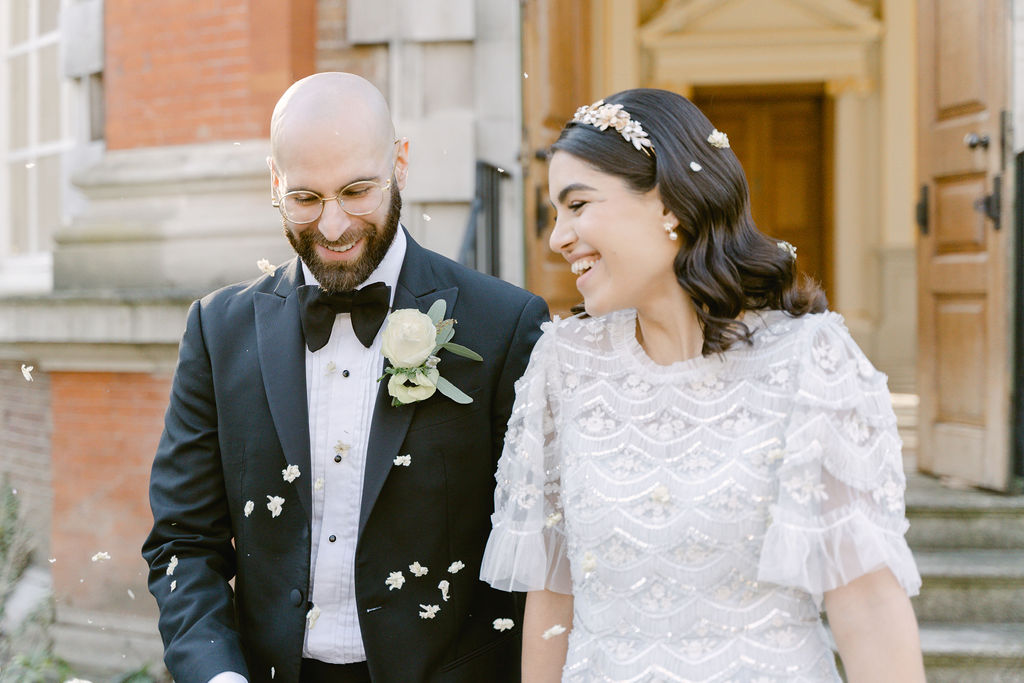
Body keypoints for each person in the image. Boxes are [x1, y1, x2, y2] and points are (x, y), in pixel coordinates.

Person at [480, 88, 925, 682]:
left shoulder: (807, 360)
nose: (558, 237)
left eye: (579, 204)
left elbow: (866, 605)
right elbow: (553, 596)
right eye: (556, 212)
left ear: (669, 205)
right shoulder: (565, 365)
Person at [142, 72, 549, 683]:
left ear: (400, 164)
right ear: (275, 183)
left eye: (357, 191)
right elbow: (183, 542)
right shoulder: (216, 330)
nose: (333, 227)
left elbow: (533, 557)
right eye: (305, 199)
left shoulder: (505, 324)